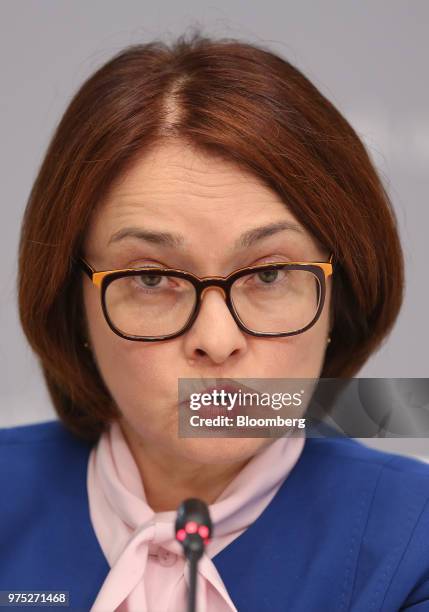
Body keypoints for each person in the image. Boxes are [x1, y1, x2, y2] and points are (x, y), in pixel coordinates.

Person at [1, 30, 429, 612]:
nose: (217, 340)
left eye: (269, 274)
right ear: (70, 301)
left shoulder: (414, 541)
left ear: (340, 295)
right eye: (151, 279)